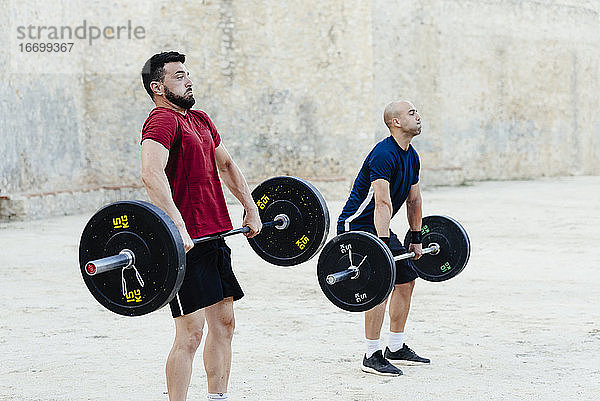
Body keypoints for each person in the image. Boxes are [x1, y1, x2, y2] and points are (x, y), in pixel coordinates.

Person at [140, 51, 262, 401]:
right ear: (158, 87)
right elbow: (151, 174)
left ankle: (217, 398)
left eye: (188, 73)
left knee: (224, 325)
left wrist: (250, 207)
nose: (188, 79)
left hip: (216, 235)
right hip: (185, 243)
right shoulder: (161, 121)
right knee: (190, 333)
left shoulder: (201, 120)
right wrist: (177, 226)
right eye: (179, 76)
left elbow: (226, 166)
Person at [337, 100, 431, 376]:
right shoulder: (383, 154)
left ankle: (396, 346)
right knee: (381, 282)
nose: (418, 116)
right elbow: (381, 203)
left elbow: (414, 200)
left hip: (380, 226)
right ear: (396, 122)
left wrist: (416, 237)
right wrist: (382, 245)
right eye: (412, 113)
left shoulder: (411, 155)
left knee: (406, 280)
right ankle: (371, 354)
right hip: (357, 225)